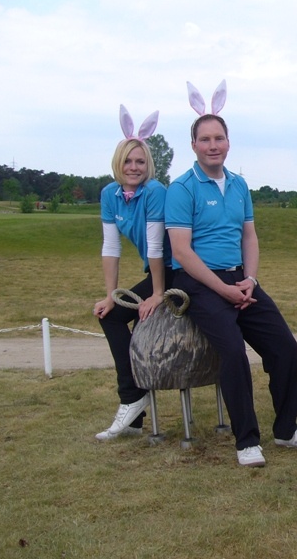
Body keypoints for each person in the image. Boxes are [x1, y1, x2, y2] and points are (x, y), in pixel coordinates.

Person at [165, 80, 297, 468]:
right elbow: (182, 251)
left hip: (239, 278)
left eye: (219, 137)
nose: (213, 145)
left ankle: (286, 430)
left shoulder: (238, 185)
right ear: (194, 145)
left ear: (228, 142)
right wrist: (222, 289)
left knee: (284, 346)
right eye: (205, 139)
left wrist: (249, 280)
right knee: (234, 352)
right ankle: (247, 440)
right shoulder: (182, 188)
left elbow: (249, 237)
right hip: (200, 282)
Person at [93, 105, 173, 441]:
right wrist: (112, 295)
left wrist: (156, 293)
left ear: (148, 165)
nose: (134, 167)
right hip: (155, 269)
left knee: (139, 319)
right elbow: (111, 248)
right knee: (110, 315)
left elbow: (156, 246)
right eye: (128, 160)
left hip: (175, 268)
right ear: (118, 163)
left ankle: (132, 398)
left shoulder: (154, 191)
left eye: (140, 161)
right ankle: (135, 404)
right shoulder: (109, 195)